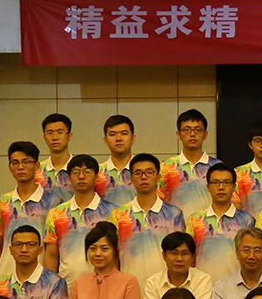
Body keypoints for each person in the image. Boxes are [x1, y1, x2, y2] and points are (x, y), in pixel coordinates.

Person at [111, 153, 186, 288]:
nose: (144, 177)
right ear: (131, 178)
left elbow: (180, 255)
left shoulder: (174, 214)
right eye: (138, 173)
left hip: (165, 288)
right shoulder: (118, 215)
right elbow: (113, 257)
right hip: (128, 288)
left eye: (149, 172)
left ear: (158, 176)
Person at [0, 140, 62, 277]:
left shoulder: (54, 203)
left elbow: (55, 247)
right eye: (15, 163)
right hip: (6, 275)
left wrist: (51, 279)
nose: (20, 167)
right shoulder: (1, 203)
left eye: (26, 162)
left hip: (41, 276)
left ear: (37, 166)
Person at [42, 153, 115, 281]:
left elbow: (117, 254)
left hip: (104, 284)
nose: (81, 176)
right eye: (76, 172)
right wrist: (51, 286)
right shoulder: (56, 214)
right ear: (69, 178)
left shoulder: (112, 212)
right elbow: (51, 255)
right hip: (67, 284)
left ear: (96, 177)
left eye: (87, 172)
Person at [186, 163, 255, 284]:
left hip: (237, 286)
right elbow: (188, 257)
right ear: (208, 187)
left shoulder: (247, 220)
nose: (221, 187)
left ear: (234, 187)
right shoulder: (195, 220)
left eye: (226, 182)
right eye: (215, 182)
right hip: (203, 287)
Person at [143, 232, 213, 299]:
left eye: (185, 254)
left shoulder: (203, 280)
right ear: (164, 256)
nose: (179, 259)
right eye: (174, 253)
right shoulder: (153, 283)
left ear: (193, 257)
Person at [158, 109, 218, 216]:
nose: (192, 134)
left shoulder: (218, 167)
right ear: (179, 134)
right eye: (187, 129)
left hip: (208, 225)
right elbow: (158, 203)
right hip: (176, 225)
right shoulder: (165, 168)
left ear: (205, 134)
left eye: (197, 130)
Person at [233, 120, 262, 215]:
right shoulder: (238, 173)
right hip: (249, 224)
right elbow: (236, 211)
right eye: (258, 141)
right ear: (250, 144)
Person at [97, 114, 136, 208]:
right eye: (112, 134)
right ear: (105, 140)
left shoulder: (146, 172)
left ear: (133, 138)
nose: (118, 139)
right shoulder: (96, 173)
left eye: (124, 133)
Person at [38, 113, 74, 204]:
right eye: (50, 133)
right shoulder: (36, 171)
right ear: (44, 137)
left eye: (60, 132)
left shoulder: (81, 169)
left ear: (69, 136)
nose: (55, 137)